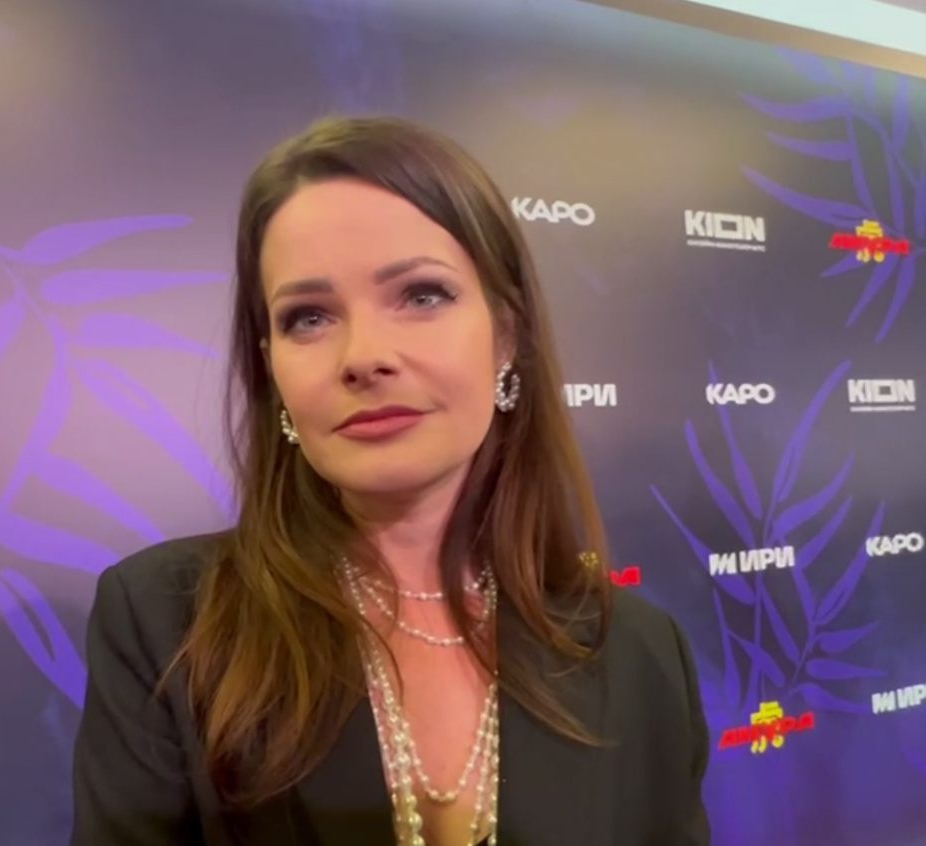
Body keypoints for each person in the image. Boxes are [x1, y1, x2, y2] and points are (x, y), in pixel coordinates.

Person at [69, 115, 711, 846]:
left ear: (506, 335)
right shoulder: (165, 622)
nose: (363, 355)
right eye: (308, 317)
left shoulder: (640, 656)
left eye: (422, 295)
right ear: (272, 368)